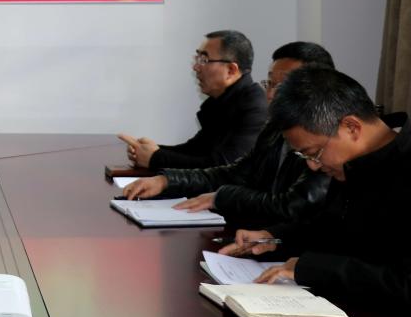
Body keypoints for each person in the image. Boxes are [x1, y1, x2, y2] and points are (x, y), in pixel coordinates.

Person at [219, 67, 411, 311]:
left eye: (314, 153)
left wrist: (311, 269)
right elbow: (331, 229)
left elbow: (404, 282)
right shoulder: (353, 163)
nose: (312, 165)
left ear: (351, 127)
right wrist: (274, 238)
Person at [122, 42, 333, 226]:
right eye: (270, 84)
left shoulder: (327, 141)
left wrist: (221, 197)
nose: (270, 95)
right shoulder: (275, 128)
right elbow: (235, 172)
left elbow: (292, 206)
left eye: (283, 87)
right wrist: (167, 181)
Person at [119, 30, 266, 170]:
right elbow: (195, 150)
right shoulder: (221, 101)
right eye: (197, 58)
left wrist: (155, 158)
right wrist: (150, 150)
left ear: (231, 70)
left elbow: (225, 166)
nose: (196, 67)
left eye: (204, 60)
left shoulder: (255, 107)